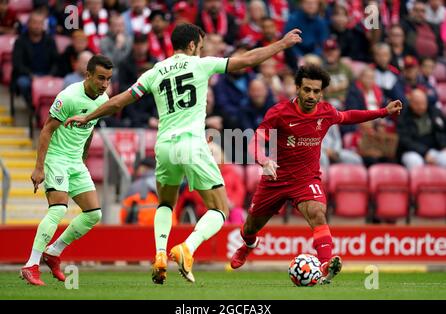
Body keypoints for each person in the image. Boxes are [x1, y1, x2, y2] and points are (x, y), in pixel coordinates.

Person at [64, 23, 303, 284]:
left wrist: (88, 116)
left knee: (166, 203)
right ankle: (187, 248)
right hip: (192, 144)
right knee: (220, 209)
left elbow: (120, 100)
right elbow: (245, 60)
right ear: (191, 46)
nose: (200, 51)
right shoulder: (200, 65)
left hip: (164, 146)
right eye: (199, 46)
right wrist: (280, 45)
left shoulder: (154, 72)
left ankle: (159, 254)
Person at [230, 64, 402, 284]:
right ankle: (248, 245)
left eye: (316, 91)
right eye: (307, 90)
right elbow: (256, 139)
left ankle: (325, 265)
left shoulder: (326, 112)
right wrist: (263, 160)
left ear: (322, 92)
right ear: (298, 89)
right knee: (250, 228)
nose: (311, 95)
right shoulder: (279, 112)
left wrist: (382, 112)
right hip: (275, 179)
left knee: (318, 212)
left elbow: (348, 116)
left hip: (306, 180)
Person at [20, 55, 113, 286]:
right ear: (88, 75)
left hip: (75, 161)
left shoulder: (104, 99)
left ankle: (53, 252)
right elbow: (46, 130)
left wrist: (84, 157)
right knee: (59, 209)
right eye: (100, 78)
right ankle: (31, 265)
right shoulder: (69, 96)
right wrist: (39, 167)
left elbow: (90, 128)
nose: (104, 84)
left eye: (108, 79)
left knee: (94, 214)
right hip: (56, 157)